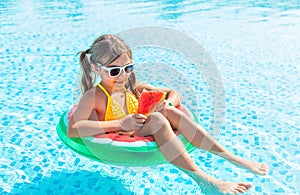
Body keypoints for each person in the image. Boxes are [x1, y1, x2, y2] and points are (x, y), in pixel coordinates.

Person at [68, 34, 269, 194]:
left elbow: (175, 94)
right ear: (95, 68)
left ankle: (232, 158)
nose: (123, 76)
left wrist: (165, 104)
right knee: (156, 119)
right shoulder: (95, 96)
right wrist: (120, 123)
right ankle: (204, 181)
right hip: (121, 133)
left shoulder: (135, 89)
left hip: (140, 127)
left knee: (170, 112)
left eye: (128, 68)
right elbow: (74, 129)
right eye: (114, 71)